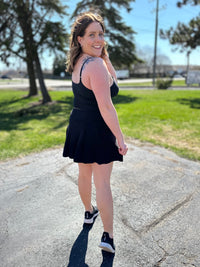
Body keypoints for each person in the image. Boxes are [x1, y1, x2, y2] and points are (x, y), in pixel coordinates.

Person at [63, 11, 128, 254]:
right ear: (79, 38)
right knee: (102, 183)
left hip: (79, 123)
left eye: (101, 34)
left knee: (84, 174)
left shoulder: (79, 61)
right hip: (97, 127)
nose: (98, 39)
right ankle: (108, 236)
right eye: (91, 35)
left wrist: (103, 53)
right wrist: (120, 138)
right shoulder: (96, 66)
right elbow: (106, 106)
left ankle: (89, 212)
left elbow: (114, 80)